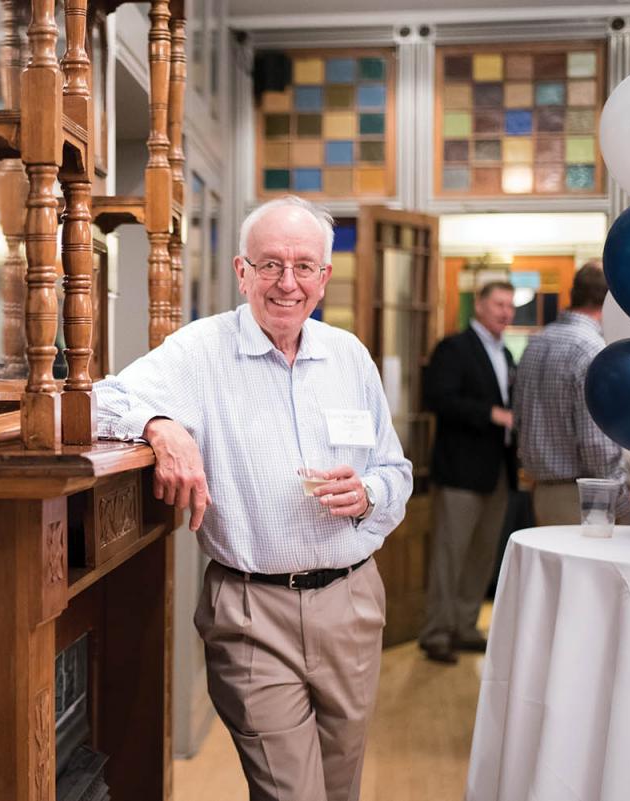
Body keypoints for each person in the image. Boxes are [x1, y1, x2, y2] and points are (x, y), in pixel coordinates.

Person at [95, 196, 412, 801]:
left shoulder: (349, 357)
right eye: (269, 265)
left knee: (339, 789)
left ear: (324, 276)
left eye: (302, 266)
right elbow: (98, 399)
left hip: (352, 605)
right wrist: (162, 425)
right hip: (251, 612)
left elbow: (397, 471)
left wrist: (368, 492)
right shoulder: (201, 351)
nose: (286, 283)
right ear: (242, 273)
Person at [417, 282, 517, 665]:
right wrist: (490, 414)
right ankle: (437, 632)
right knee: (450, 556)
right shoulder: (454, 348)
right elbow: (438, 398)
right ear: (478, 305)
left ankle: (464, 626)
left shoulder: (505, 353)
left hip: (498, 471)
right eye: (498, 304)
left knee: (481, 555)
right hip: (460, 471)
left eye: (510, 305)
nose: (506, 312)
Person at [514, 261, 630, 525]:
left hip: (541, 493)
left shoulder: (536, 342)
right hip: (586, 498)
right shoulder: (592, 350)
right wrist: (622, 501)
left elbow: (519, 418)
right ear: (611, 300)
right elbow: (595, 444)